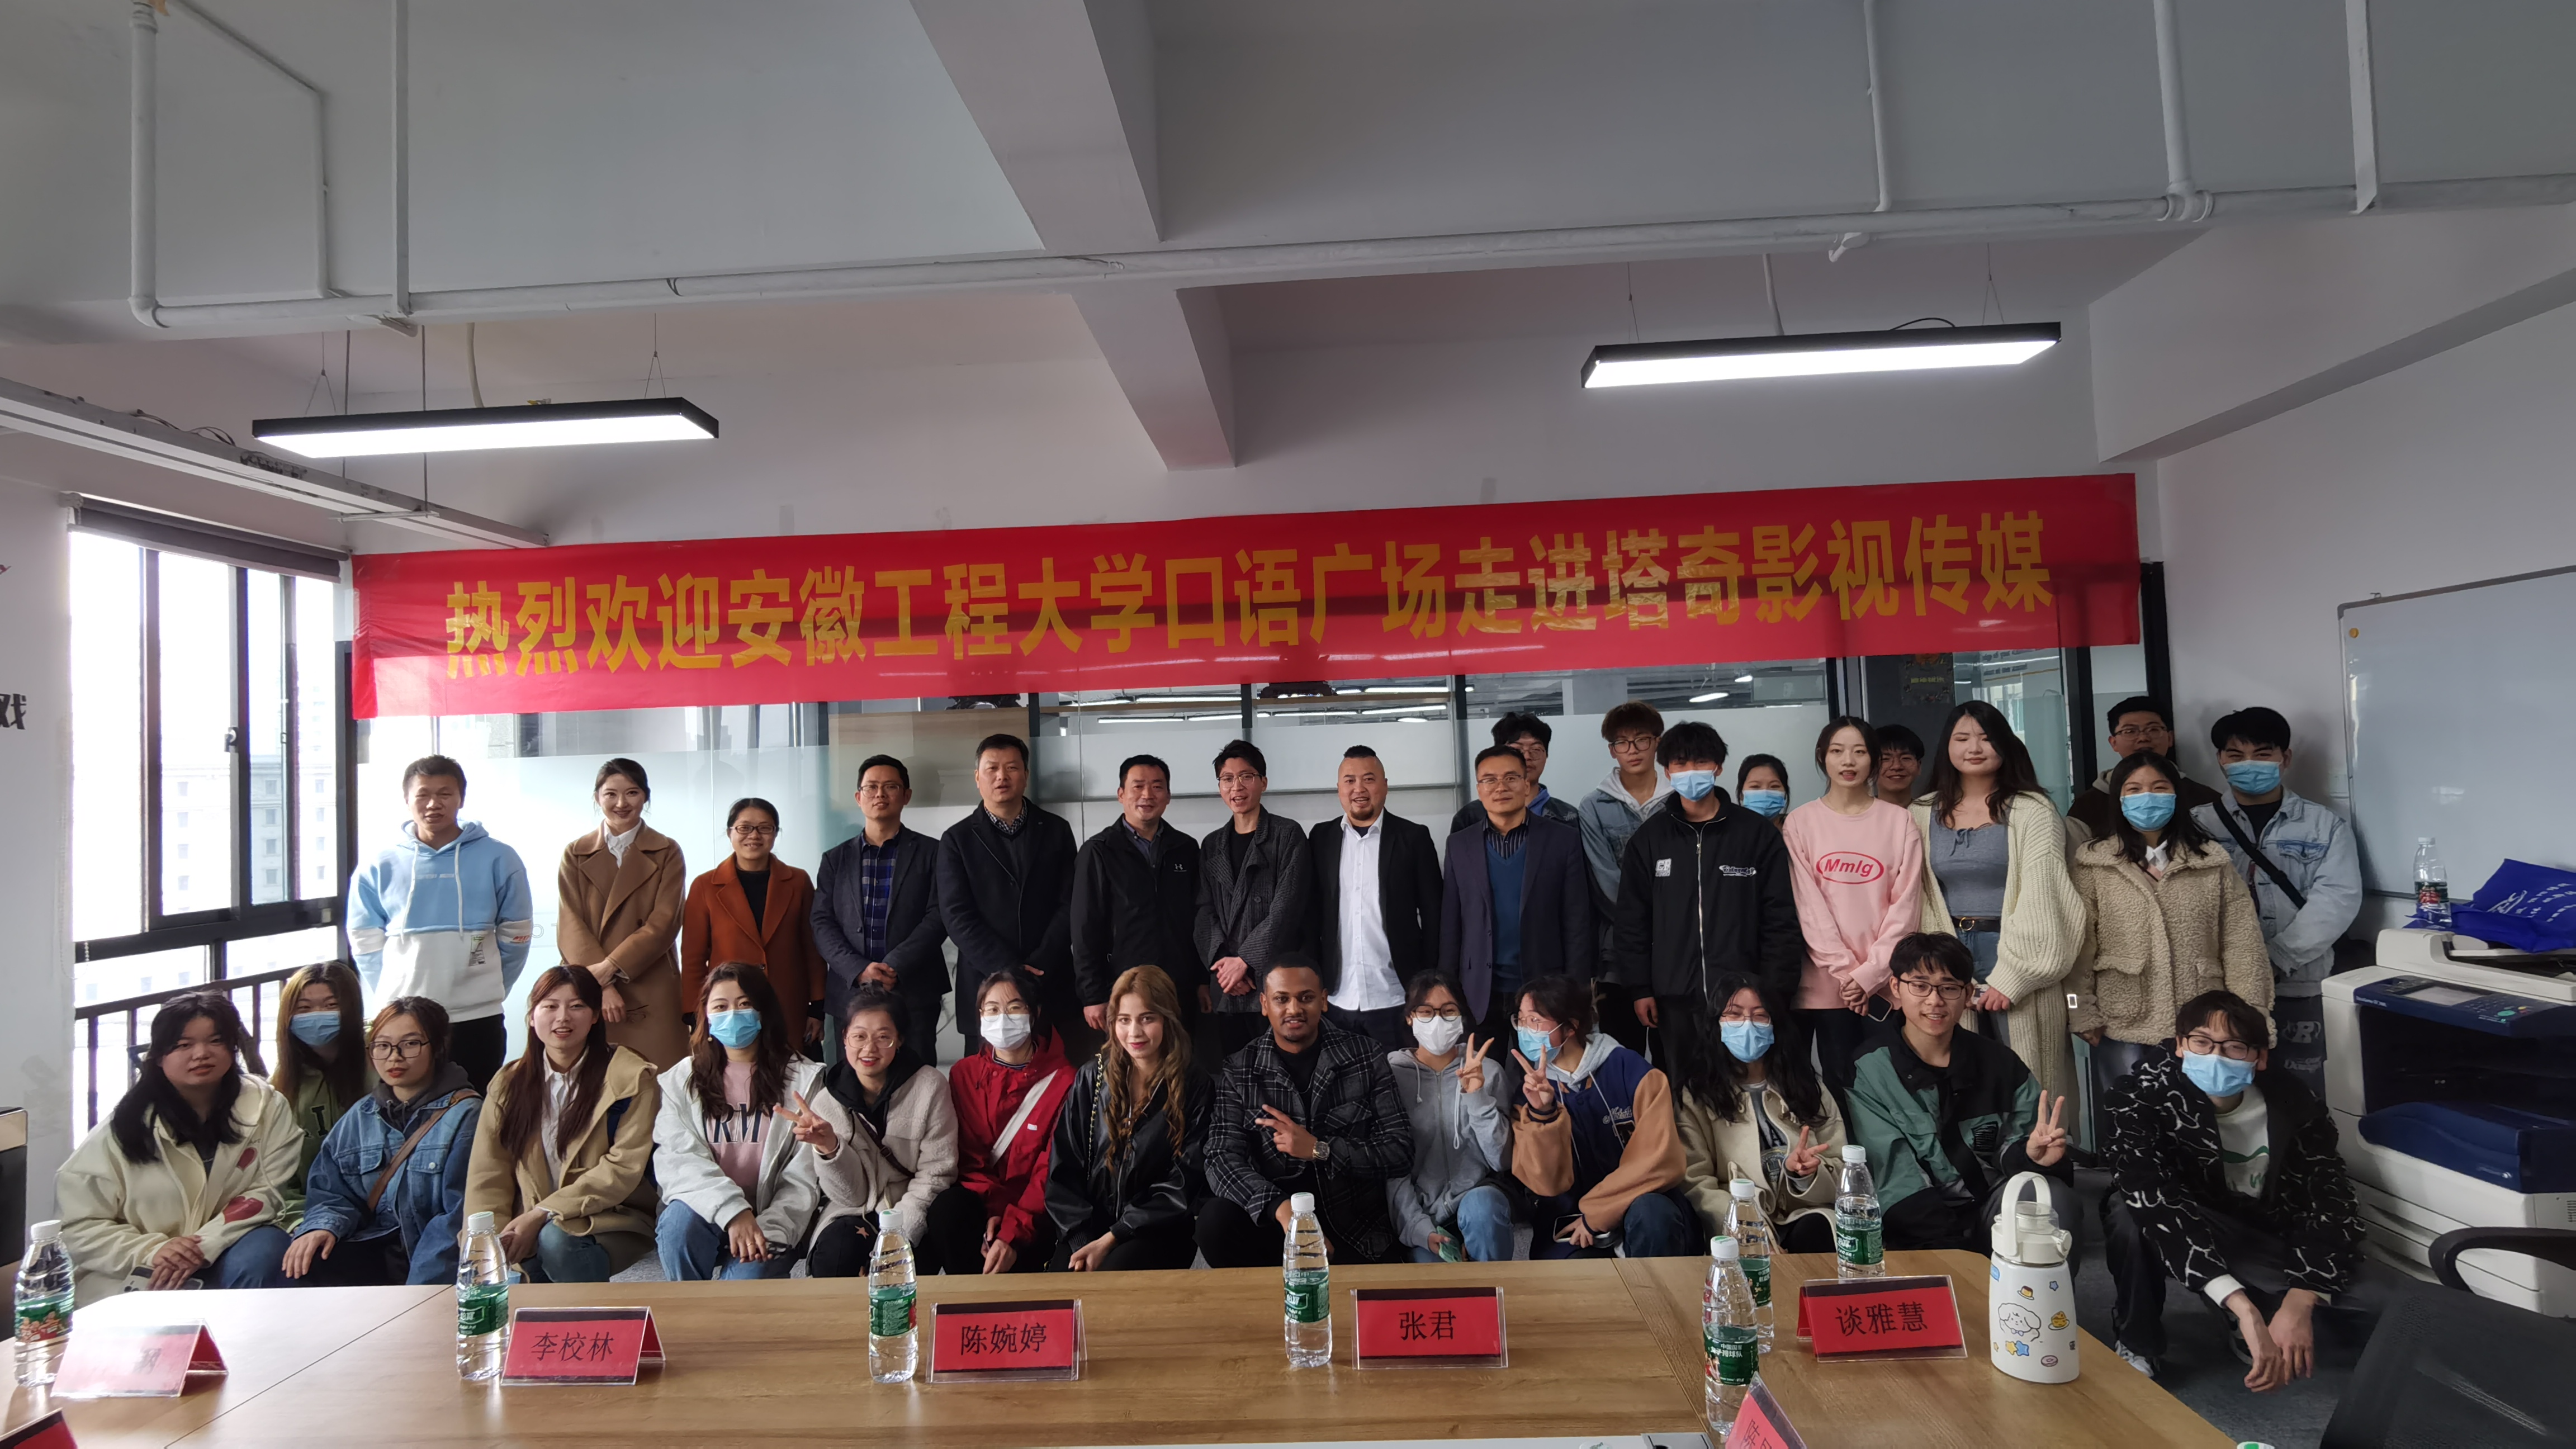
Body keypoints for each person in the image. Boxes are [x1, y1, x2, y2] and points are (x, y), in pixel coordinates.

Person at [2103, 990, 2379, 1387]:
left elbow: (2329, 1198)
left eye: (2234, 1047)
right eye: (2201, 1042)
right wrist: (2241, 1304)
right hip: (2189, 1225)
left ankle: (2251, 1305)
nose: (2216, 1056)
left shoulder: (2294, 1101)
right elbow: (2153, 1197)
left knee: (2387, 1305)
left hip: (2264, 1233)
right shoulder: (2139, 1097)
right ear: (2180, 1045)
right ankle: (2140, 1341)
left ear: (2259, 1057)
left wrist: (2302, 1298)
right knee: (2128, 1215)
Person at [57, 995, 299, 1303]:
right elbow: (78, 1227)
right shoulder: (123, 1130)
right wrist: (154, 1250)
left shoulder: (266, 1107)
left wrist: (200, 1247)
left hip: (228, 1246)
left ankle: (242, 1332)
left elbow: (267, 1191)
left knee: (267, 1249)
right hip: (146, 1267)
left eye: (216, 1041)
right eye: (184, 1045)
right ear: (159, 1056)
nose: (201, 1054)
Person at [1844, 934, 2076, 1253]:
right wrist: (1956, 1252)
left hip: (1993, 1203)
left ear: (1968, 994)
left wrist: (2031, 1158)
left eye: (1949, 988)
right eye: (1920, 986)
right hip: (1919, 1219)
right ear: (1896, 987)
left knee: (2050, 1196)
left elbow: (2020, 1140)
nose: (1934, 1001)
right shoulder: (1869, 1069)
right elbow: (1893, 1175)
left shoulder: (1999, 1062)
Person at [2069, 751, 2275, 1103]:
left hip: (2205, 1026)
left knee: (2203, 1115)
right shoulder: (2093, 863)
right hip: (2123, 1021)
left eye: (2159, 787)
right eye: (2134, 789)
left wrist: (2255, 1017)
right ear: (2118, 798)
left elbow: (2244, 946)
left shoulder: (2211, 861)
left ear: (2176, 794)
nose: (2147, 797)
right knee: (2130, 1115)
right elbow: (2077, 951)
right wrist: (2079, 1011)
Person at [1907, 701, 2085, 1102]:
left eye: (1986, 738)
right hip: (1947, 953)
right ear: (1947, 747)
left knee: (2026, 1072)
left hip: (2015, 949)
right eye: (1962, 738)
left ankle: (2036, 1141)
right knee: (1955, 1070)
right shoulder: (1920, 812)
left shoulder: (2033, 810)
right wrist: (1937, 967)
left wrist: (2013, 976)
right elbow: (1918, 895)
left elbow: (2046, 895)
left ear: (2005, 745)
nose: (1974, 748)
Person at [1197, 955, 1414, 1267]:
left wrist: (1319, 1149)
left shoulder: (1365, 1055)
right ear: (1264, 1004)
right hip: (1275, 1224)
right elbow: (1220, 1157)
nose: (1294, 1009)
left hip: (1354, 1226)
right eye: (1281, 999)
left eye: (1306, 998)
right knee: (1214, 1220)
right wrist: (1281, 1209)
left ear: (1324, 1001)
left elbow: (1401, 1150)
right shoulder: (1241, 1068)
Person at [1611, 721, 1804, 1069]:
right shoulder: (1650, 839)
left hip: (1745, 1000)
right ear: (1667, 771)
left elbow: (1780, 918)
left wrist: (1773, 991)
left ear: (1718, 767)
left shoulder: (1756, 835)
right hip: (1673, 1000)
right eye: (1681, 763)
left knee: (1746, 1084)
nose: (1691, 771)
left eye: (1701, 762)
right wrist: (1640, 988)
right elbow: (1632, 922)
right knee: (1681, 1090)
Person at [2193, 708, 2363, 1098]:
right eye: (2236, 755)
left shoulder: (2324, 825)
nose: (2249, 764)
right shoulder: (2197, 825)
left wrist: (2278, 958)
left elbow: (2337, 899)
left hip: (2298, 985)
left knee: (2300, 1093)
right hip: (2219, 988)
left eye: (2262, 754)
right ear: (2220, 760)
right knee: (2220, 1094)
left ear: (2285, 758)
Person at [462, 965, 661, 1282]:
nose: (563, 1018)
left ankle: (590, 1312)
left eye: (577, 1006)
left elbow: (623, 1168)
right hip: (526, 1218)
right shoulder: (508, 1083)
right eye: (550, 1006)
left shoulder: (631, 1077)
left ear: (595, 1016)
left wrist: (542, 1214)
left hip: (608, 1217)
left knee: (554, 1240)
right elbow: (488, 1172)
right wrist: (490, 1241)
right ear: (532, 1016)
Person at [347, 754, 533, 1089]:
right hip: (403, 1019)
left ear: (461, 798)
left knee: (476, 1107)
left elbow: (516, 934)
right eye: (423, 794)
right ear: (407, 800)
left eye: (445, 794)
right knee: (404, 1107)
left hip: (478, 1017)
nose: (434, 804)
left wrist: (488, 986)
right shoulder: (379, 863)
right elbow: (364, 940)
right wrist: (394, 993)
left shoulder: (500, 857)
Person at [285, 997, 484, 1286]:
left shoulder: (466, 1115)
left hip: (435, 1261)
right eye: (382, 1045)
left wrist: (417, 1293)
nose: (395, 1057)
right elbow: (331, 1192)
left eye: (411, 1044)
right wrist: (322, 1227)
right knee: (304, 1261)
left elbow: (457, 1218)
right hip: (377, 1252)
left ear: (439, 1047)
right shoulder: (361, 1115)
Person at [651, 964, 822, 1281]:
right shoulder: (681, 1079)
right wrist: (734, 1212)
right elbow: (679, 1161)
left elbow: (802, 1179)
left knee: (744, 1285)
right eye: (720, 1007)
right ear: (706, 1016)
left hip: (772, 1217)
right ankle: (687, 1309)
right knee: (678, 1225)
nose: (732, 1015)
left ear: (764, 1012)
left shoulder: (805, 1080)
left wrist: (764, 1228)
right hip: (703, 1208)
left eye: (744, 1005)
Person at [1782, 718, 1923, 1101]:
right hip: (1828, 989)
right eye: (1838, 751)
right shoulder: (1801, 823)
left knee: (1894, 1089)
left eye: (1860, 752)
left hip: (1887, 987)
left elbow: (1906, 906)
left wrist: (1871, 974)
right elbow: (1808, 908)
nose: (1849, 761)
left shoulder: (1899, 821)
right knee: (1839, 1086)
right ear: (1822, 757)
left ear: (1873, 760)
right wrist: (1850, 976)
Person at [1508, 974, 1693, 1258]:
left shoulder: (1633, 1071)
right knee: (1571, 1277)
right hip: (1570, 1218)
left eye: (1534, 1021)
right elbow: (1546, 1184)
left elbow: (1660, 1160)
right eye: (1520, 1020)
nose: (1524, 1030)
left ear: (1571, 1026)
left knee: (1653, 1216)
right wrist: (1543, 1113)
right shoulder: (1529, 1092)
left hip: (1641, 1202)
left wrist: (1598, 1214)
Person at [1047, 964, 1213, 1272]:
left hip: (1157, 1229)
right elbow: (1063, 1168)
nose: (1134, 1032)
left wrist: (1114, 1236)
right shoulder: (1092, 1077)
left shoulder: (1195, 1084)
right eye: (1124, 1020)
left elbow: (1185, 1180)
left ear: (1167, 1019)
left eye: (1147, 1018)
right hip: (1089, 1225)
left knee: (1112, 1277)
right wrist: (1081, 1238)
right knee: (1063, 1287)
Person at [794, 983, 964, 1277]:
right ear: (845, 1038)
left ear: (900, 1040)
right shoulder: (827, 1101)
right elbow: (851, 1197)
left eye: (883, 1037)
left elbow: (937, 1173)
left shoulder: (929, 1086)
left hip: (913, 1206)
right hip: (856, 1211)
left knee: (906, 1269)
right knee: (835, 1256)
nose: (869, 1048)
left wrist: (896, 1242)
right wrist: (830, 1148)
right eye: (859, 1036)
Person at [1673, 975, 1846, 1253]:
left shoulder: (1806, 1085)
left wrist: (1805, 1175)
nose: (1748, 1025)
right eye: (1734, 1014)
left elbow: (1842, 1164)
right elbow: (1696, 1182)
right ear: (1716, 1023)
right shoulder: (1696, 1095)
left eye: (1760, 1015)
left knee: (1818, 1232)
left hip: (1805, 1211)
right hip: (1739, 1218)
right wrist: (1745, 1224)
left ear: (1775, 1024)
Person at [1441, 744, 1595, 1052]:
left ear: (1527, 785)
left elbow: (1577, 920)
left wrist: (1576, 991)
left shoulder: (1562, 840)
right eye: (1490, 780)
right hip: (1479, 991)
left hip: (1545, 988)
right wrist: (1447, 989)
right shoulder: (1459, 844)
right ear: (1479, 789)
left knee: (1546, 1072)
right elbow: (1451, 922)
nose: (1500, 787)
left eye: (1511, 778)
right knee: (1483, 1072)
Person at [937, 734, 1082, 1060]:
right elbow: (956, 914)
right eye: (992, 769)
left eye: (1012, 768)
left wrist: (1040, 962)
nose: (1002, 776)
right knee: (986, 1080)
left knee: (1058, 1074)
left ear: (1026, 775)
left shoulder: (1057, 830)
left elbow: (1070, 902)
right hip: (986, 983)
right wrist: (1008, 970)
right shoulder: (957, 839)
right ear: (978, 777)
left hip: (1050, 978)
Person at [929, 967, 1074, 1275]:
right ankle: (968, 1300)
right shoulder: (964, 1074)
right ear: (980, 1015)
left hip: (1037, 1213)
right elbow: (969, 1158)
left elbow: (1051, 1167)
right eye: (992, 1010)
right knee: (948, 1209)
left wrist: (1013, 1227)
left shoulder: (1066, 1081)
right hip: (984, 1207)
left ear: (1034, 1013)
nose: (1003, 1019)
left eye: (1015, 1008)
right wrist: (995, 1214)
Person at [812, 755, 949, 1064]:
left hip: (914, 990)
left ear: (906, 795)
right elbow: (822, 922)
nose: (880, 794)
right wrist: (858, 969)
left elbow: (939, 915)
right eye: (871, 787)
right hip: (850, 992)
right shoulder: (835, 859)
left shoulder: (933, 852)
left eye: (891, 787)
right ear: (858, 797)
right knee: (851, 1080)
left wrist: (894, 965)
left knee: (916, 1078)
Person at [556, 757, 689, 1070]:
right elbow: (571, 924)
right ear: (597, 797)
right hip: (588, 984)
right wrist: (601, 985)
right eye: (611, 794)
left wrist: (611, 967)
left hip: (651, 981)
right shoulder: (575, 853)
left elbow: (664, 923)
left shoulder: (667, 851)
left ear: (645, 797)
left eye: (632, 793)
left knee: (660, 1080)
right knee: (594, 1080)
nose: (621, 803)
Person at [1309, 747, 1443, 1052]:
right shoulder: (1321, 838)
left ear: (1385, 785)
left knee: (1400, 1077)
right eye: (1350, 781)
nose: (1359, 788)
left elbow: (1435, 916)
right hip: (1337, 997)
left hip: (1398, 996)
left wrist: (1429, 984)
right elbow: (1311, 914)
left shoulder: (1414, 838)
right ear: (1339, 789)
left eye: (1369, 779)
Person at [1072, 754, 1207, 1046]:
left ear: (1168, 796)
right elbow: (1085, 930)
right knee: (1131, 1064)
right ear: (1121, 794)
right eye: (1138, 786)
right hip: (1122, 989)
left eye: (1157, 787)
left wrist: (1202, 980)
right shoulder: (1098, 851)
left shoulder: (1185, 848)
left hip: (1179, 987)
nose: (1147, 795)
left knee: (1180, 1062)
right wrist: (1092, 995)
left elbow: (1199, 920)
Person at [1386, 972, 1513, 1263]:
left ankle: (1498, 1290)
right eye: (1426, 1012)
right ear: (1410, 1018)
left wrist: (1476, 1095)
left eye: (1449, 1011)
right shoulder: (1390, 1075)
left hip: (1478, 1198)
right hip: (1420, 1212)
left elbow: (1501, 1160)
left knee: (1484, 1210)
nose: (1438, 1020)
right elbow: (1391, 1165)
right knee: (1436, 1282)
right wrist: (1418, 1228)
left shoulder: (1488, 1071)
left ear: (1462, 1017)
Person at [1195, 740, 1309, 1060]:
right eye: (1227, 779)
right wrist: (1225, 965)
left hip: (1272, 981)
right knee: (1234, 1072)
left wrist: (1245, 961)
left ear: (1264, 782)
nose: (1237, 787)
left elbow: (1287, 908)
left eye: (1247, 776)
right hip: (1228, 986)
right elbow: (1203, 911)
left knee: (1281, 1067)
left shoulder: (1287, 835)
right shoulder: (1212, 844)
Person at [681, 798, 822, 1053]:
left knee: (790, 1070)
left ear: (776, 833)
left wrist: (817, 1006)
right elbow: (693, 957)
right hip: (729, 1011)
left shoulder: (798, 881)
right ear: (730, 833)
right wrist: (695, 1014)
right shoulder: (705, 886)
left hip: (788, 1004)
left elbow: (813, 948)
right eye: (744, 828)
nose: (754, 836)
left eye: (765, 828)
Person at [271, 960, 373, 1228]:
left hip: (381, 1209)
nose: (317, 1016)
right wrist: (307, 1223)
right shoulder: (281, 1087)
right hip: (312, 1216)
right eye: (304, 1008)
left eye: (331, 1005)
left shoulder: (381, 1061)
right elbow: (278, 1179)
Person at [2068, 697, 2224, 842]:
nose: (2143, 738)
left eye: (2153, 730)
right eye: (2130, 731)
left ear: (2170, 738)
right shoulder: (2087, 807)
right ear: (2114, 743)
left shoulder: (2206, 800)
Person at [1577, 700, 1670, 907]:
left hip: (1678, 916)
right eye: (1622, 742)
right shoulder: (1594, 807)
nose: (1632, 750)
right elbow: (1605, 874)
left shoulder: (1678, 799)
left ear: (1658, 742)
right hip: (1623, 919)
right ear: (1612, 750)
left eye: (1641, 740)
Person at [1449, 712, 1584, 834]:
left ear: (1546, 755)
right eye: (1517, 750)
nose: (1527, 757)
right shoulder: (1470, 817)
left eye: (1535, 750)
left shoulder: (1568, 816)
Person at [1873, 724, 1926, 804]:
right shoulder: (1859, 812)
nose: (1897, 766)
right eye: (1885, 759)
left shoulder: (1931, 811)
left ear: (1919, 766)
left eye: (1905, 758)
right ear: (1870, 768)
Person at [1735, 755, 1792, 822]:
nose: (1765, 793)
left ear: (1785, 793)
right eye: (1755, 786)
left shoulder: (1797, 826)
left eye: (1774, 786)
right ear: (1741, 795)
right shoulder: (1730, 828)